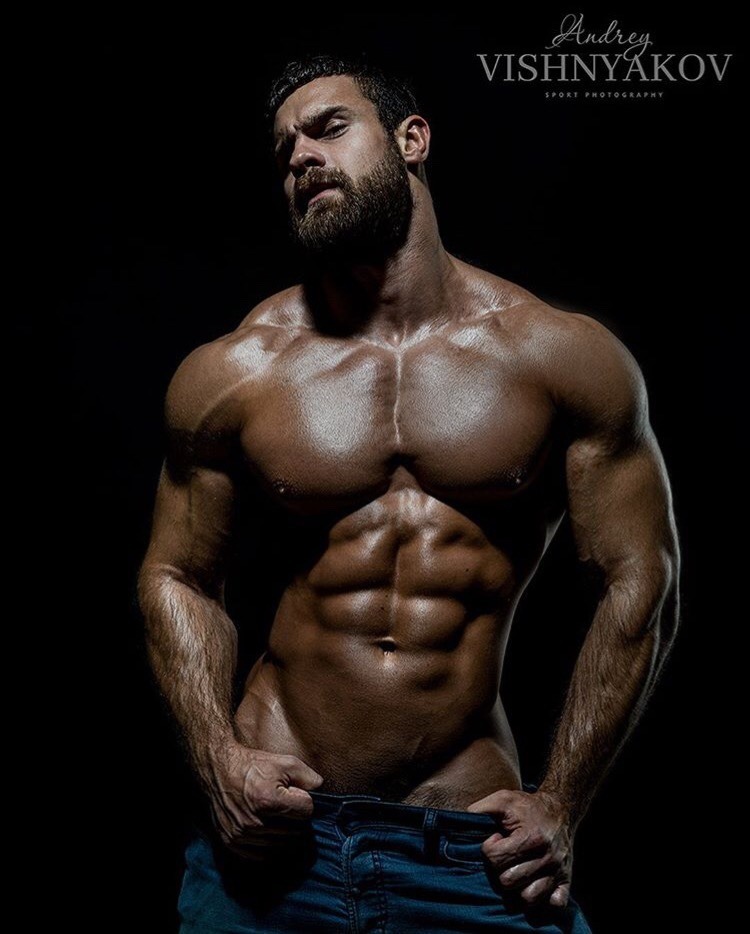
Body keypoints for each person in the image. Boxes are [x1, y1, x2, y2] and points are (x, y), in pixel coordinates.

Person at [138, 54, 680, 933]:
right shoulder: (238, 370)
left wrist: (564, 801)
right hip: (277, 844)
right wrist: (217, 761)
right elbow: (176, 576)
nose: (301, 156)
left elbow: (641, 578)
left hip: (470, 847)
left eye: (329, 128)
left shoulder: (559, 357)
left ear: (412, 140)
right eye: (284, 150)